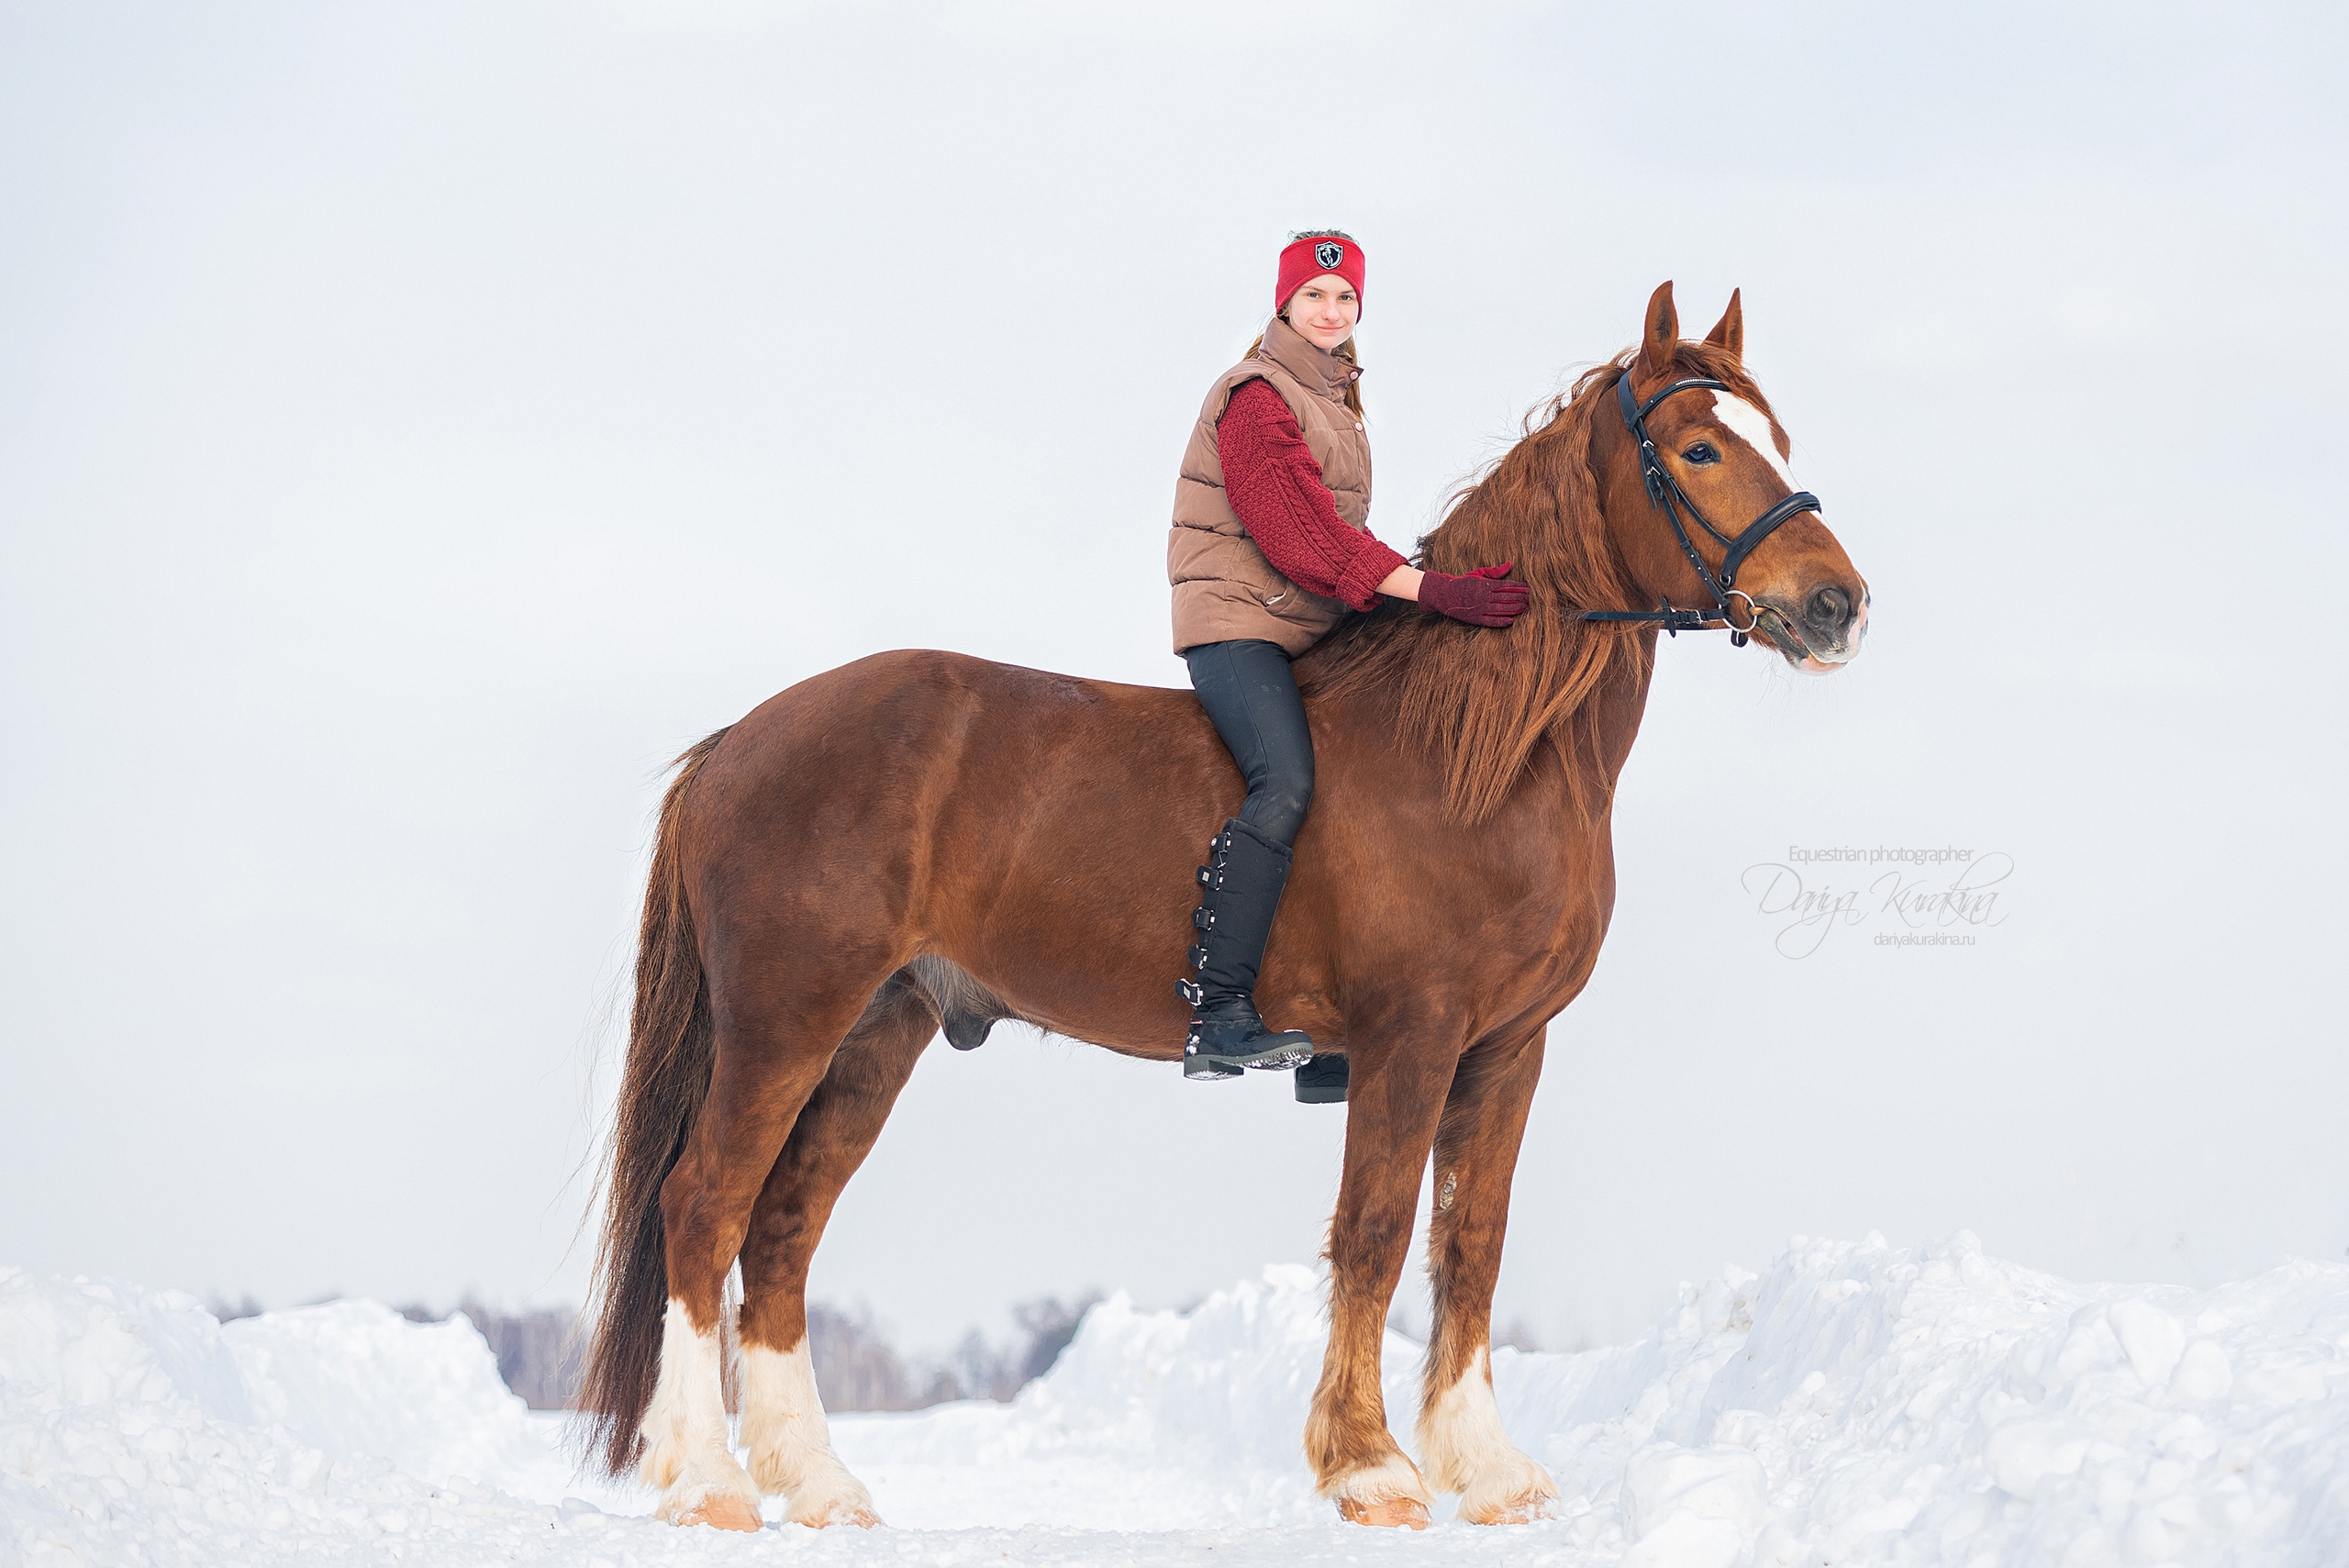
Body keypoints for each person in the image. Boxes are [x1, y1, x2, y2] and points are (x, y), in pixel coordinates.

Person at [1168, 231, 1528, 1101]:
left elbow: (1338, 541)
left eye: (1345, 300)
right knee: (1284, 782)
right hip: (1239, 623)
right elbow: (1299, 535)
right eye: (1314, 297)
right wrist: (1428, 589)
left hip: (1303, 621)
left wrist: (1420, 594)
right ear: (1284, 303)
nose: (1330, 312)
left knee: (1366, 783)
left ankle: (1328, 1036)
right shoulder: (1257, 395)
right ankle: (1217, 1011)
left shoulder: (1334, 394)